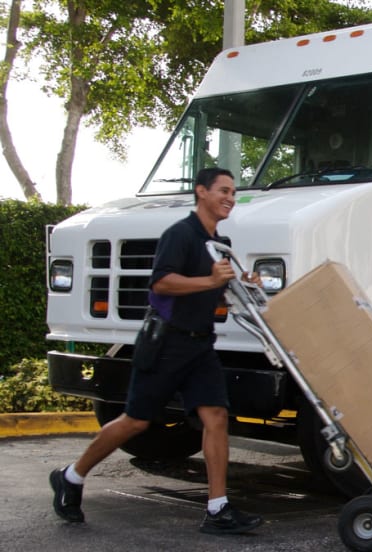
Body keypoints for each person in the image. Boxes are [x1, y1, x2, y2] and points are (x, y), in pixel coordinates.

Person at [49, 167, 263, 534]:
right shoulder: (180, 234)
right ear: (201, 192)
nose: (230, 197)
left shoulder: (218, 242)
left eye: (233, 192)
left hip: (200, 344)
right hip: (167, 343)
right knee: (136, 421)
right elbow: (161, 283)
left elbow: (215, 291)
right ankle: (71, 476)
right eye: (223, 190)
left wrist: (243, 282)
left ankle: (218, 509)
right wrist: (210, 280)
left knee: (216, 417)